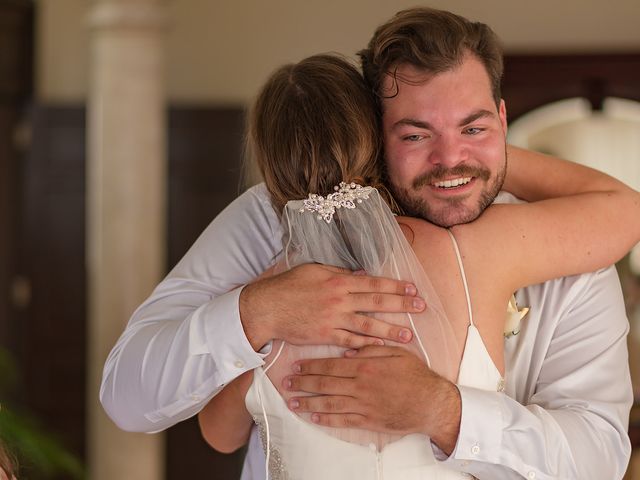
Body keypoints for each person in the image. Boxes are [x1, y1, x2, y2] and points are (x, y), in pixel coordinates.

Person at [99, 7, 635, 480]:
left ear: (502, 120)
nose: (450, 160)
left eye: (473, 128)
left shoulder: (559, 242)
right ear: (375, 137)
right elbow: (128, 399)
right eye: (415, 134)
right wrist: (255, 312)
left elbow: (600, 459)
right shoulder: (268, 221)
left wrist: (446, 413)